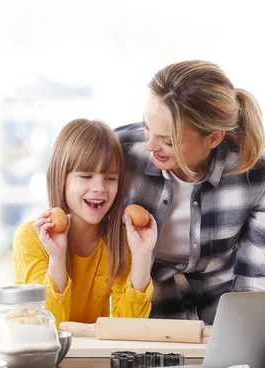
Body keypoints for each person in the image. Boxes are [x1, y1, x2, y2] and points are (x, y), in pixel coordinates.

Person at [117, 60, 265, 325]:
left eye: (168, 140)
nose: (150, 145)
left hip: (223, 318)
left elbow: (257, 273)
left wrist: (245, 337)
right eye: (147, 126)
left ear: (214, 139)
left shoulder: (261, 170)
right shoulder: (121, 154)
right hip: (143, 318)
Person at [13, 118, 158, 328]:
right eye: (86, 176)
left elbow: (129, 328)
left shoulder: (119, 241)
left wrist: (142, 256)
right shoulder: (31, 237)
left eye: (110, 178)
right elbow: (46, 326)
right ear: (61, 179)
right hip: (31, 352)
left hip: (82, 355)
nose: (99, 188)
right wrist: (57, 257)